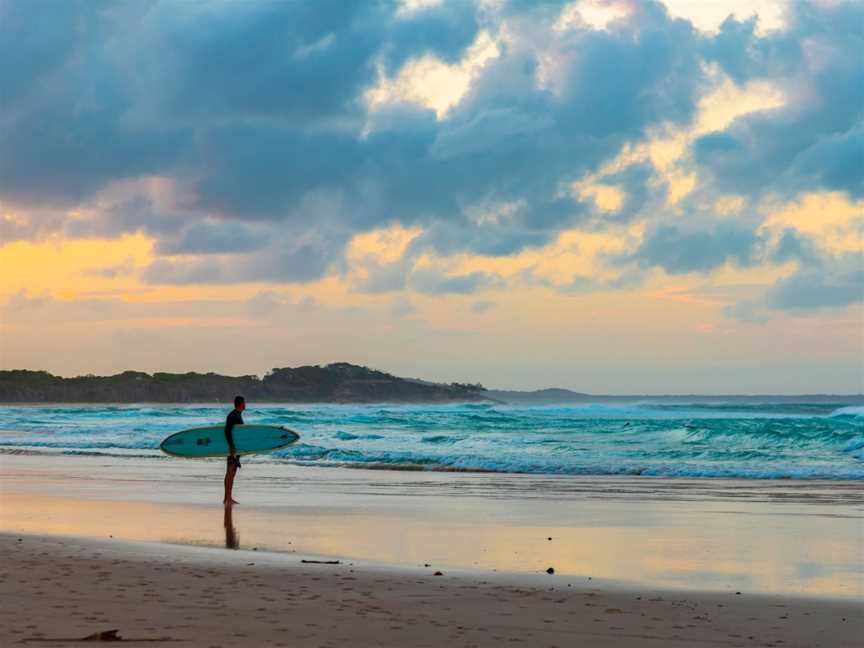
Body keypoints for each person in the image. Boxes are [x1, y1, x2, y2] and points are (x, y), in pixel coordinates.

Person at [223, 395, 245, 504]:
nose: (245, 404)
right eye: (244, 403)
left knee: (232, 473)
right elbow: (227, 431)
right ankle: (227, 498)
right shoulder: (233, 415)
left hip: (236, 449)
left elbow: (237, 433)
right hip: (233, 449)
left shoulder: (237, 414)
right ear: (241, 404)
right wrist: (232, 447)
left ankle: (228, 497)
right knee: (230, 472)